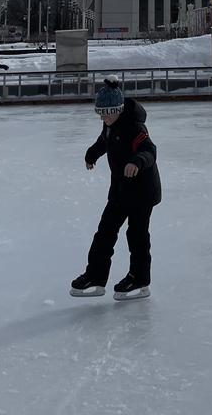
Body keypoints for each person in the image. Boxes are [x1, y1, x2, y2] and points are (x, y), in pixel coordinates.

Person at [71, 76, 162, 300]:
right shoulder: (109, 124)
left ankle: (139, 279)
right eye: (100, 113)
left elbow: (150, 150)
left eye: (107, 112)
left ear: (119, 109)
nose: (104, 117)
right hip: (121, 189)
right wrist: (92, 153)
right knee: (105, 232)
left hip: (142, 191)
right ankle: (95, 276)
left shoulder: (134, 126)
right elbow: (104, 141)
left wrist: (137, 161)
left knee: (137, 235)